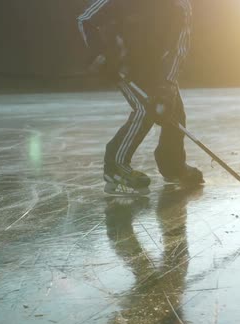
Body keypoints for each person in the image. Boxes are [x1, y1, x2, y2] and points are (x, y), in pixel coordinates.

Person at [77, 0, 204, 195]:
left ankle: (173, 167)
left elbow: (178, 49)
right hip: (124, 67)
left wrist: (167, 84)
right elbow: (85, 20)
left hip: (157, 68)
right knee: (145, 110)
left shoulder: (179, 5)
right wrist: (101, 53)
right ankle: (115, 167)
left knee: (174, 112)